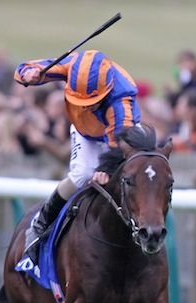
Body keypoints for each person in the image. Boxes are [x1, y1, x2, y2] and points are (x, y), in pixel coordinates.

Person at [14, 50, 141, 260]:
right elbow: (25, 67)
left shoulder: (122, 97)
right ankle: (41, 223)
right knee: (81, 174)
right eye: (80, 101)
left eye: (92, 102)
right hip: (86, 133)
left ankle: (145, 231)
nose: (86, 107)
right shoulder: (72, 66)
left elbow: (120, 145)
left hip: (121, 135)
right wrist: (30, 76)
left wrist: (105, 170)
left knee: (134, 175)